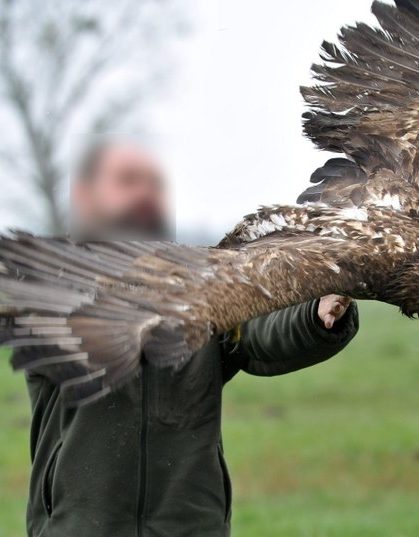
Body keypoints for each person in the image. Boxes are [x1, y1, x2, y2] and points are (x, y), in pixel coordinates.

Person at [23, 140, 358, 537]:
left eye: (154, 184)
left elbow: (255, 332)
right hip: (81, 526)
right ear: (85, 198)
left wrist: (313, 315)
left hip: (190, 526)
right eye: (128, 182)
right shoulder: (50, 286)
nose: (145, 193)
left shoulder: (203, 284)